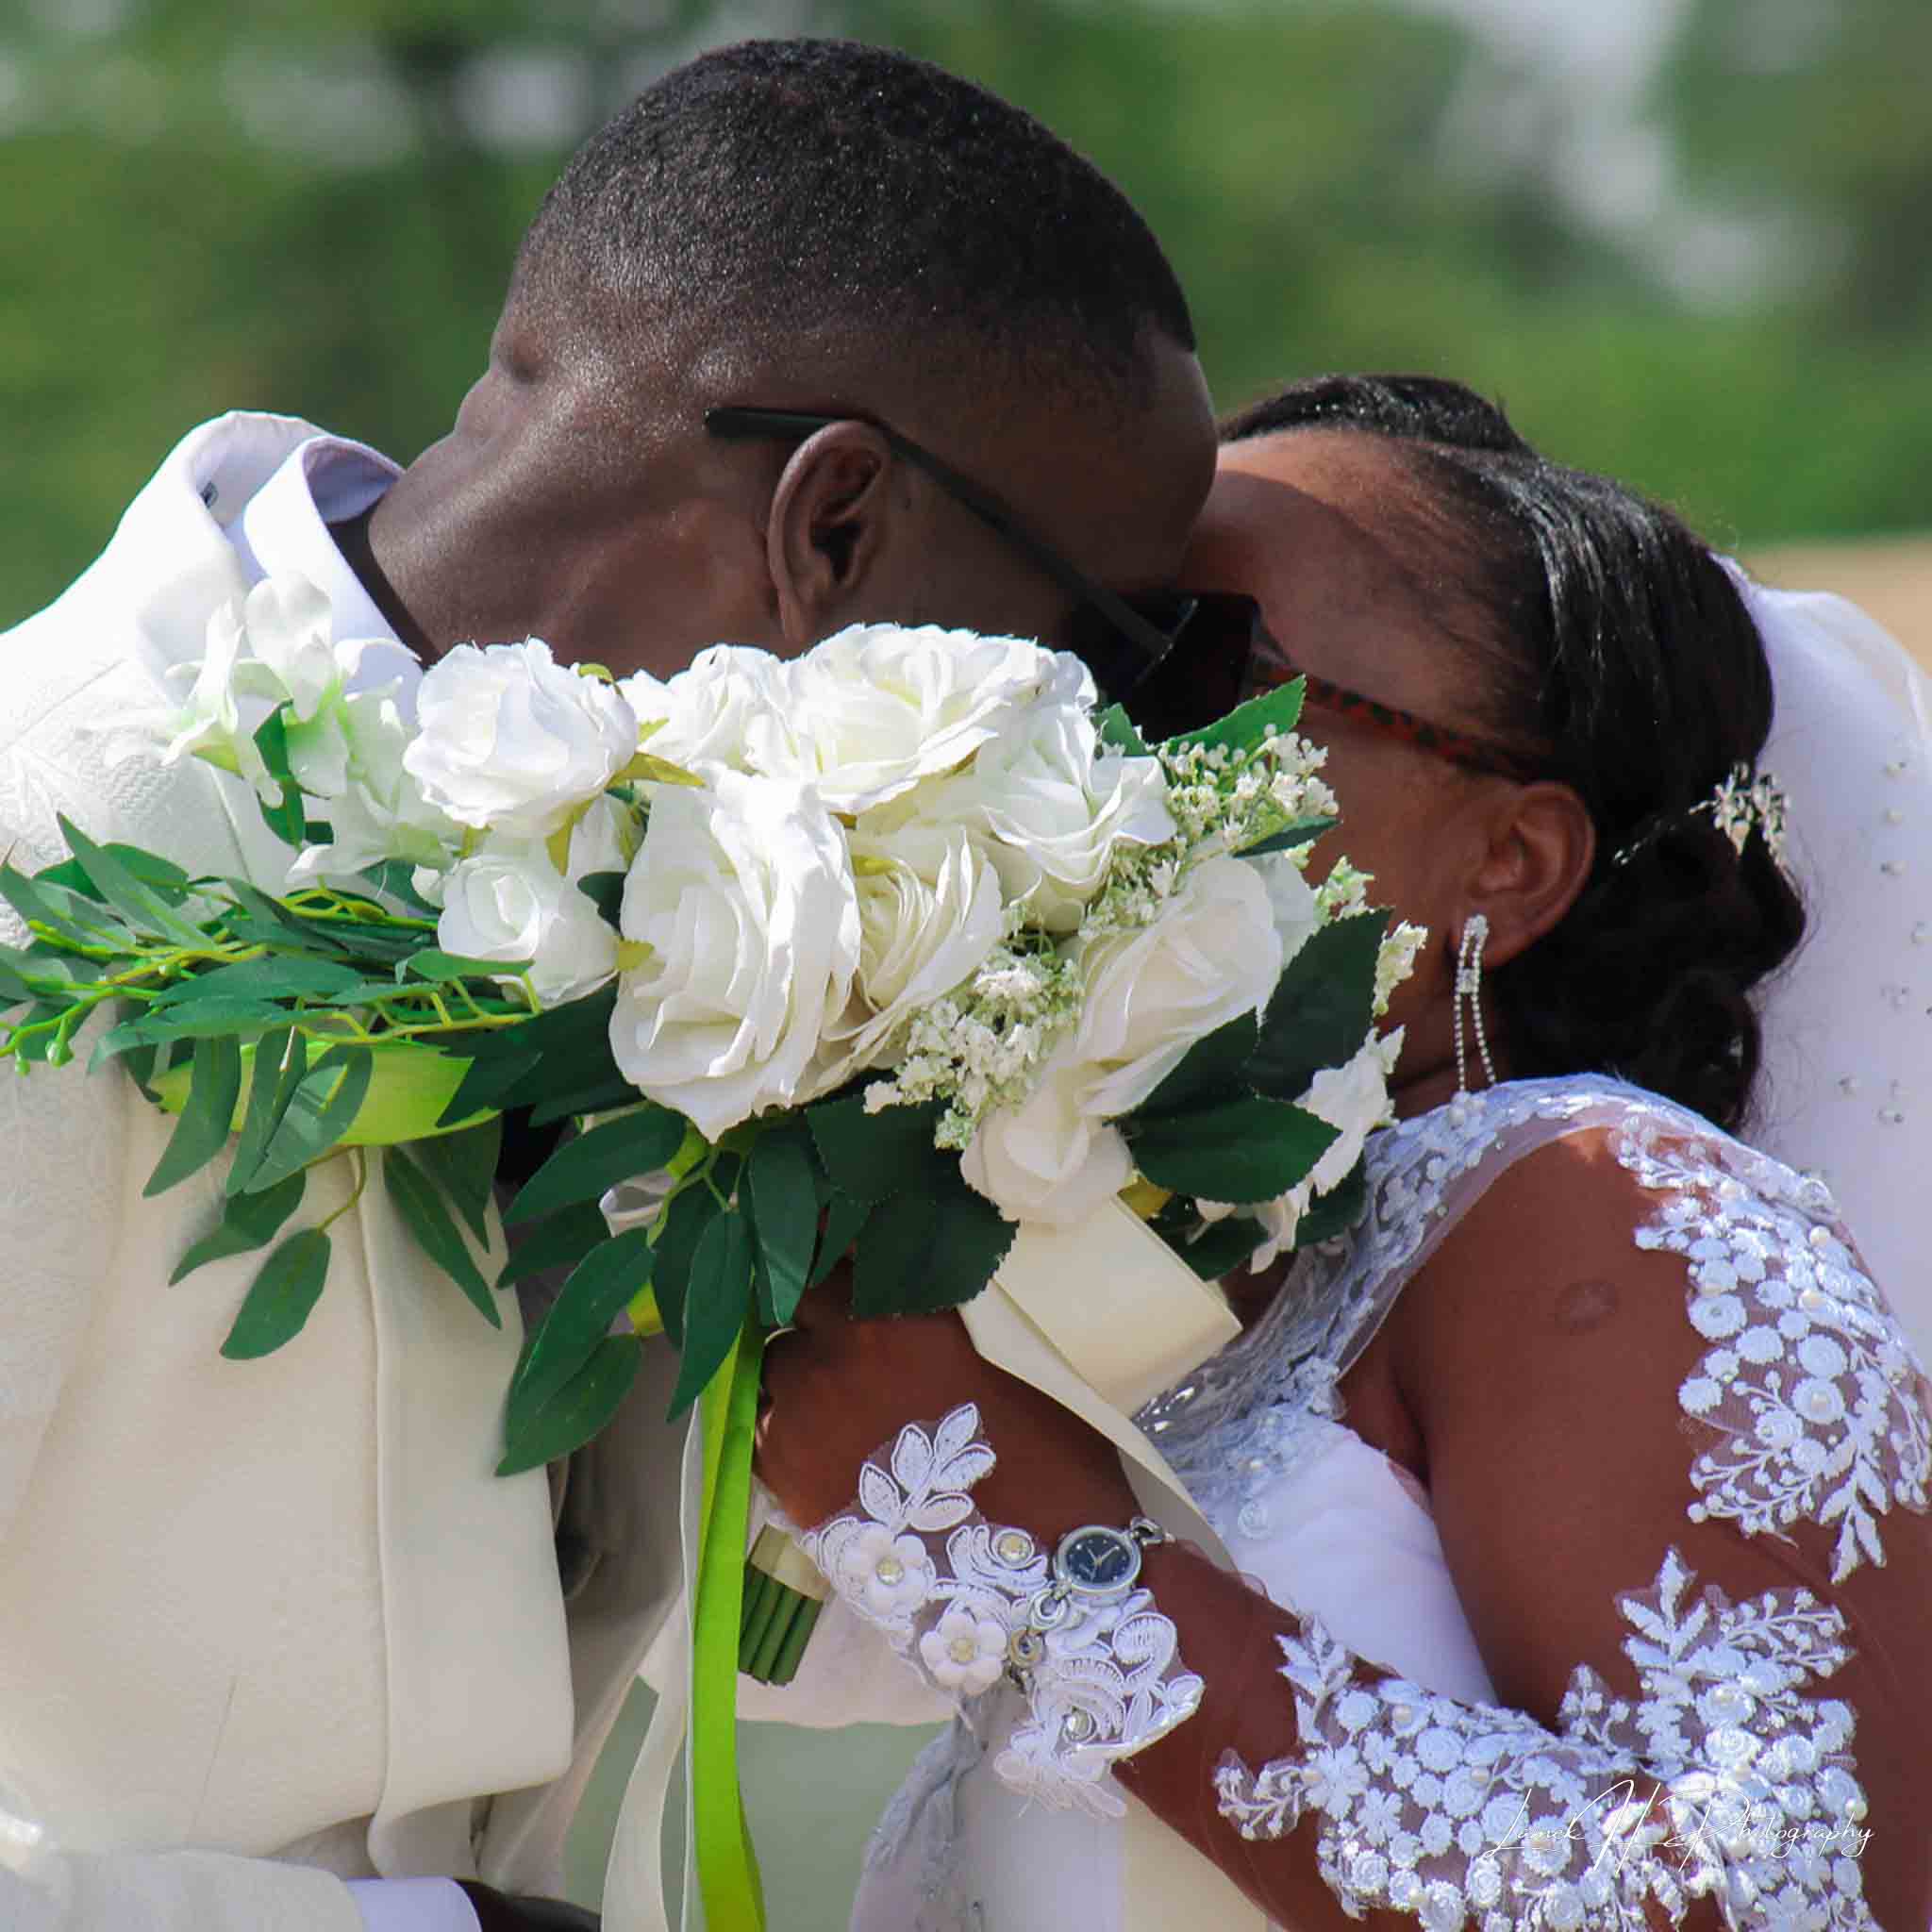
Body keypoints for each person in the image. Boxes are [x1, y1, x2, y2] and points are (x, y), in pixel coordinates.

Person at [0, 39, 1215, 1932]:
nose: (1119, 738)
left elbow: (782, 1632)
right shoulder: (41, 848)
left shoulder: (722, 904)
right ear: (830, 524)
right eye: (1121, 646)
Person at [756, 375, 1932, 1929]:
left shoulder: (1601, 1207)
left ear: (1508, 860)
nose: (1084, 734)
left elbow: (1792, 1900)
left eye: (1203, 665)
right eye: (1078, 650)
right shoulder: (1234, 1277)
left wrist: (1020, 1549)